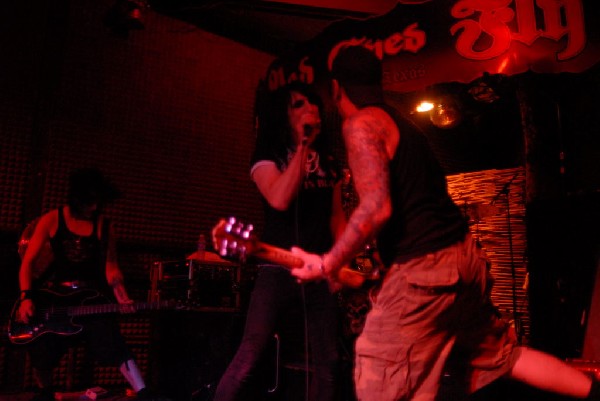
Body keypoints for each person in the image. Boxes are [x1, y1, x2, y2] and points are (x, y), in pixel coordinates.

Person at [289, 45, 600, 401]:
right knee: (503, 357)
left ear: (335, 89)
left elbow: (376, 207)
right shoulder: (406, 128)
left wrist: (330, 262)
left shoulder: (360, 124)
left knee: (379, 376)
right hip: (463, 261)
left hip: (426, 273)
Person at [212, 81, 345, 401]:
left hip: (319, 268)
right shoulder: (267, 155)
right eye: (298, 104)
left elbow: (336, 215)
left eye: (312, 103)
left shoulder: (328, 158)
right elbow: (280, 198)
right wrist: (302, 146)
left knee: (328, 361)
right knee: (251, 351)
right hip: (276, 265)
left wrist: (340, 263)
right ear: (282, 115)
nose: (310, 108)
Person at [16, 167, 164, 401]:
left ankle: (144, 393)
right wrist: (26, 297)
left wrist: (121, 295)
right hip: (57, 298)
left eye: (98, 202)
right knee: (42, 345)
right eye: (89, 202)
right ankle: (44, 393)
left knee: (113, 340)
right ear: (77, 198)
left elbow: (111, 267)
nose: (94, 208)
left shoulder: (104, 225)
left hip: (91, 298)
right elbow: (27, 263)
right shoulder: (52, 220)